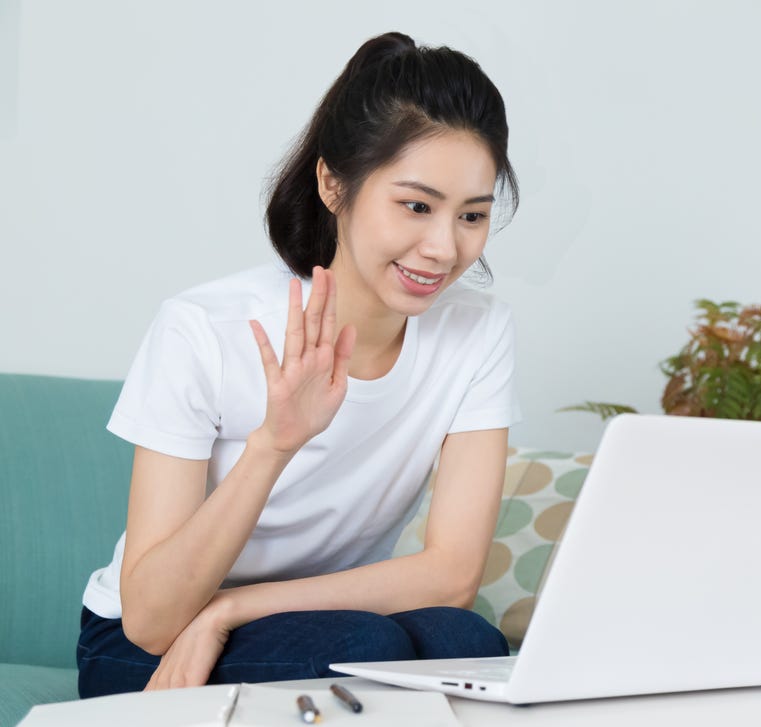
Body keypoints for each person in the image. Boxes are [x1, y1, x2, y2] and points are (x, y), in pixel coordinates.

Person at [76, 31, 521, 697]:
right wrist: (275, 442)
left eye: (472, 215)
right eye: (416, 205)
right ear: (333, 184)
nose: (442, 247)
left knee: (470, 642)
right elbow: (149, 615)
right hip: (147, 645)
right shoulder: (204, 329)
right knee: (364, 647)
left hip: (293, 617)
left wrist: (232, 610)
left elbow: (452, 573)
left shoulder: (477, 336)